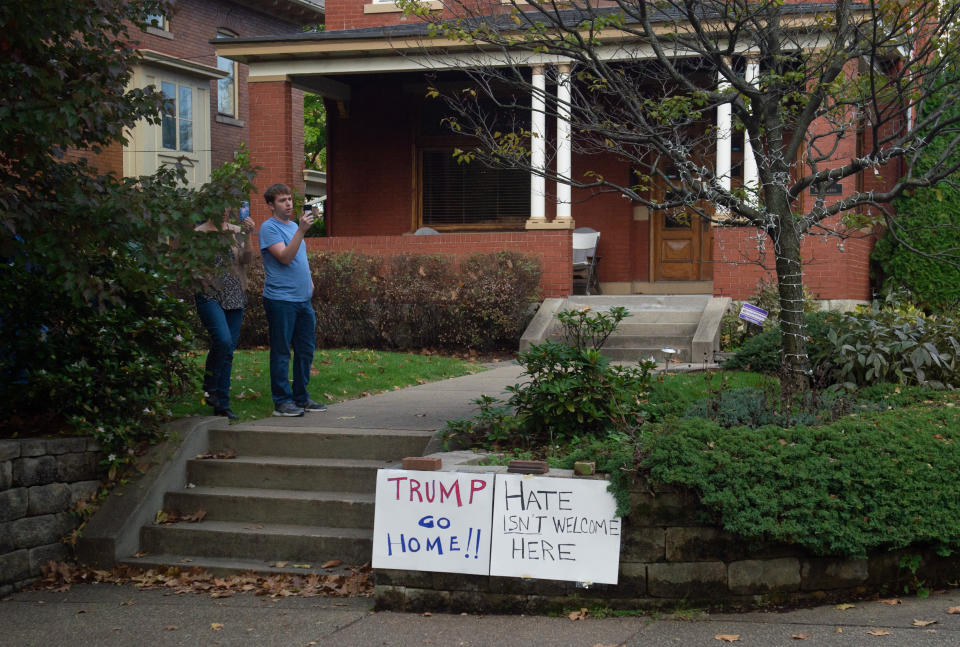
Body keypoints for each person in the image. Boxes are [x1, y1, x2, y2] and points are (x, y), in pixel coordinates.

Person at [259, 183, 326, 416]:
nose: (288, 204)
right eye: (281, 200)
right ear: (270, 205)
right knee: (281, 351)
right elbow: (285, 258)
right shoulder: (269, 228)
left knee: (305, 350)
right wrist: (301, 232)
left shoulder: (294, 226)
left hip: (302, 299)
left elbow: (299, 258)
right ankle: (282, 401)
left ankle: (301, 397)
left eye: (289, 199)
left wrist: (309, 280)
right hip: (280, 299)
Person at [194, 210, 255, 421]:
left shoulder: (237, 231)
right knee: (222, 339)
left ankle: (222, 403)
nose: (226, 210)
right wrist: (201, 279)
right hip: (209, 295)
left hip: (235, 295)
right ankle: (210, 386)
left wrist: (248, 237)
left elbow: (247, 260)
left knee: (228, 350)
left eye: (229, 205)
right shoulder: (199, 233)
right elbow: (190, 265)